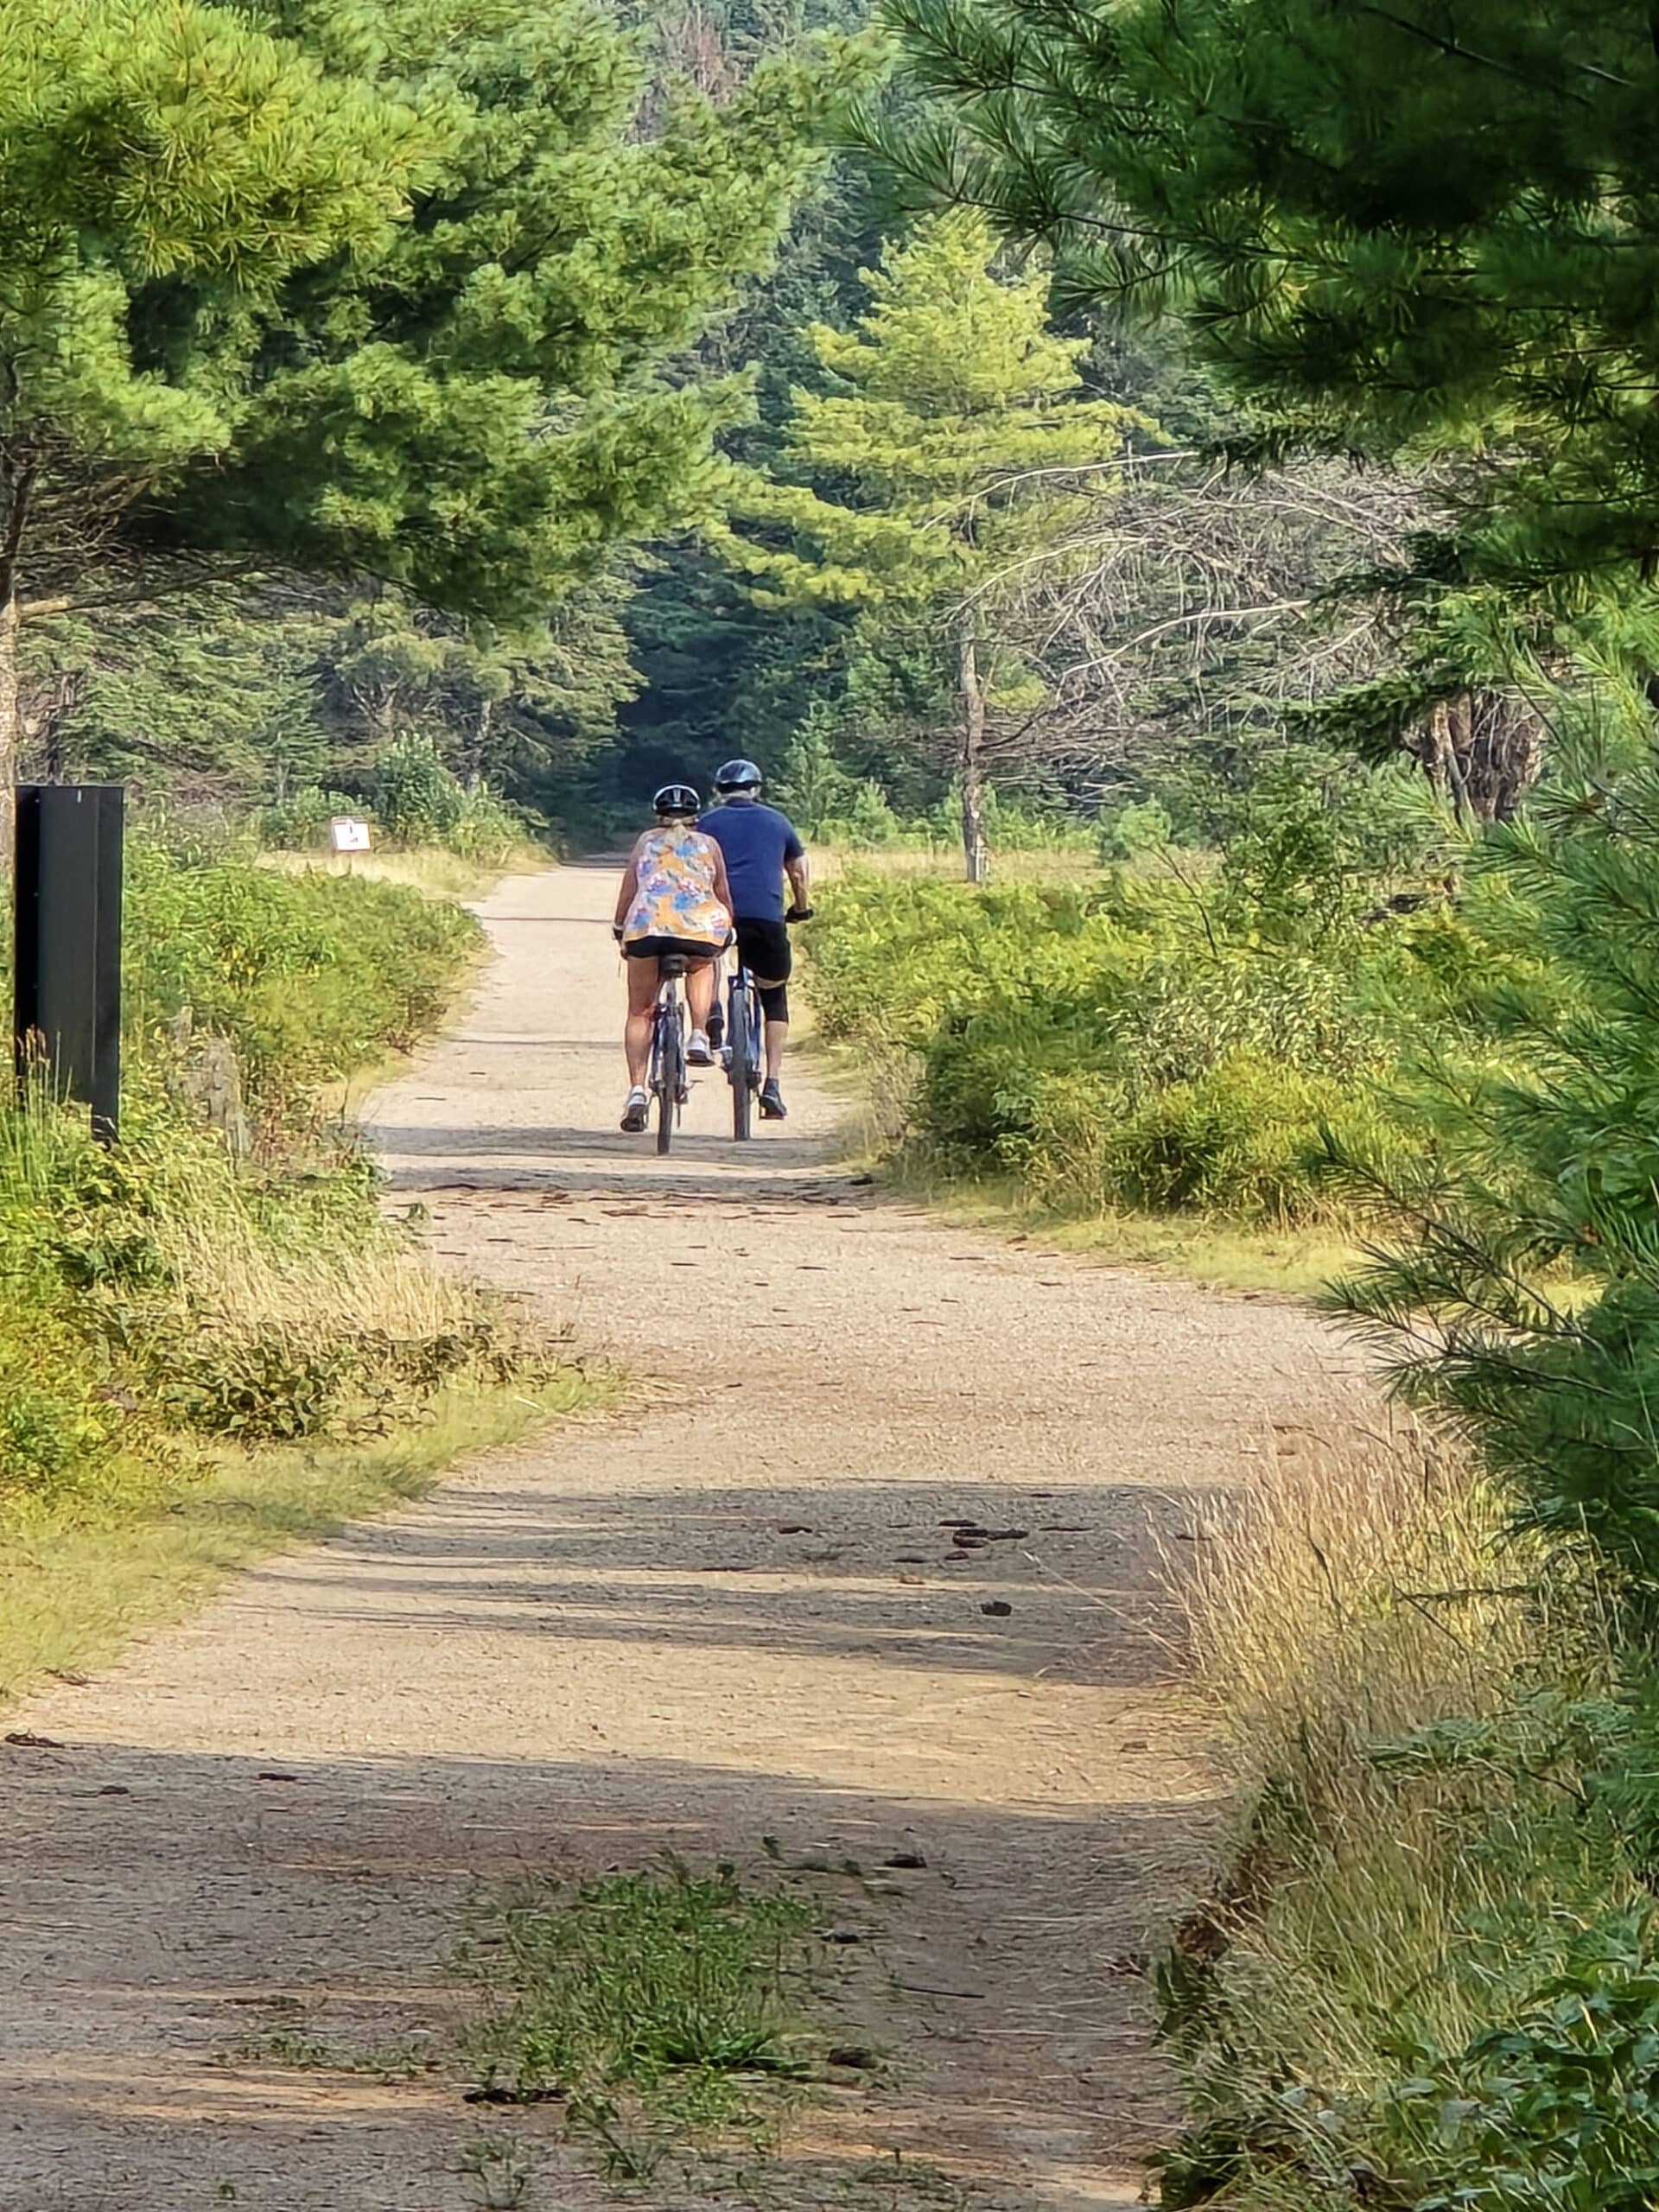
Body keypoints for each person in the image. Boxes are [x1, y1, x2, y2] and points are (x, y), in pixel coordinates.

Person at [613, 784, 733, 1135]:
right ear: (696, 814)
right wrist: (728, 926)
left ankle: (637, 1089)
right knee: (702, 964)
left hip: (647, 929)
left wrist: (621, 927)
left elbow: (630, 889)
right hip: (697, 929)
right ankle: (698, 1034)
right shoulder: (709, 845)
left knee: (640, 1011)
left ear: (658, 813)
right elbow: (721, 891)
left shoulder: (646, 842)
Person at [698, 759, 811, 1121]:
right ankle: (773, 1085)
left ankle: (713, 1010)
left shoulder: (706, 824)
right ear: (757, 789)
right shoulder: (778, 821)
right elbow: (798, 871)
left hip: (719, 914)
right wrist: (801, 907)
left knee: (710, 958)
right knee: (774, 995)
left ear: (719, 791)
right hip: (766, 917)